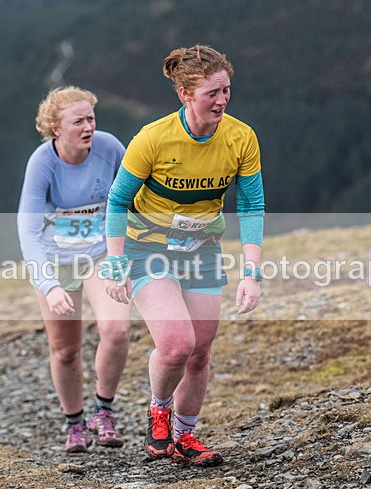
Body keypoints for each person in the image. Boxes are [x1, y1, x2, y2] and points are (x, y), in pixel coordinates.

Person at [101, 45, 265, 466]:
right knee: (176, 345)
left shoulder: (241, 138)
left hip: (202, 249)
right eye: (212, 93)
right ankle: (159, 410)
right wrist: (115, 262)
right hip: (147, 248)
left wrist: (251, 272)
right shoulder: (153, 139)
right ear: (184, 94)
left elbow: (250, 206)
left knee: (201, 351)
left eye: (227, 90)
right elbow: (117, 202)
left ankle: (185, 437)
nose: (222, 100)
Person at [17, 86, 131, 453]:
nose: (88, 127)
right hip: (56, 260)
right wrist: (49, 285)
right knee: (65, 350)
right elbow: (28, 229)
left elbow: (132, 198)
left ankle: (104, 410)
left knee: (116, 331)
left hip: (100, 254)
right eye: (78, 121)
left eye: (91, 118)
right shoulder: (42, 163)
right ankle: (75, 424)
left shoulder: (110, 148)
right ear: (55, 128)